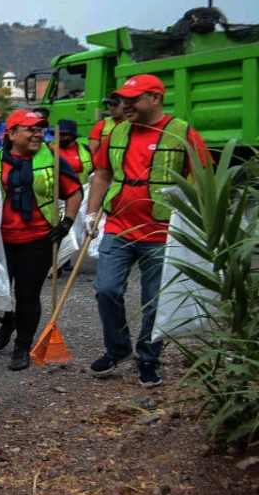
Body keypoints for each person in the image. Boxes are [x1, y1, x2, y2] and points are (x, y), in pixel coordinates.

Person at [85, 75, 211, 387]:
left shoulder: (181, 133)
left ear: (155, 98)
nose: (125, 105)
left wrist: (194, 219)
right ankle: (117, 349)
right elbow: (102, 173)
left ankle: (148, 358)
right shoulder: (115, 132)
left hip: (161, 232)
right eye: (122, 99)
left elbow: (204, 176)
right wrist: (91, 212)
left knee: (154, 300)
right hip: (118, 226)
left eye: (133, 99)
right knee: (106, 289)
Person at [0, 109, 83, 370]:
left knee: (28, 295)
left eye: (40, 129)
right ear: (11, 134)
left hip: (38, 239)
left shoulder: (52, 159)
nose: (37, 134)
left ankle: (22, 345)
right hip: (0, 241)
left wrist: (67, 222)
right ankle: (8, 320)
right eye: (30, 129)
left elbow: (74, 191)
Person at [57, 119, 94, 183]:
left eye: (64, 135)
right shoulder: (51, 149)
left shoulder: (85, 149)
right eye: (59, 134)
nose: (60, 137)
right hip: (61, 190)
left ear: (72, 135)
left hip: (83, 187)